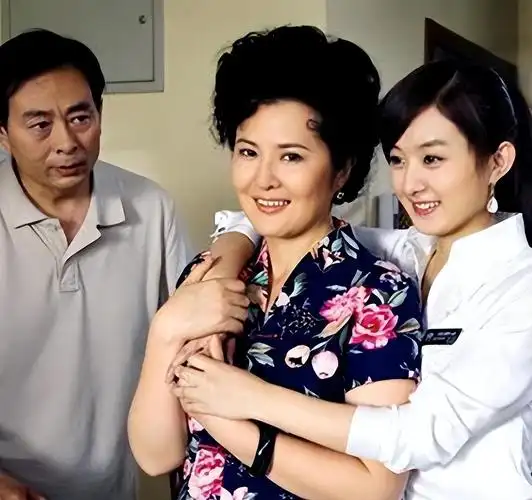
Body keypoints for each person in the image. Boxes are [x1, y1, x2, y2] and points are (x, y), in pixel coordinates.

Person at [180, 59, 532, 500]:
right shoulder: (409, 248)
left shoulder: (519, 288)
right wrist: (224, 269)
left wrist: (248, 399)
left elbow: (420, 435)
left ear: (498, 161)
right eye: (398, 160)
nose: (411, 184)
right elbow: (272, 217)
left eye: (433, 159)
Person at [129, 25, 423, 500]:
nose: (263, 179)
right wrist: (165, 330)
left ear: (342, 169)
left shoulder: (378, 293)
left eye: (291, 157)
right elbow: (156, 455)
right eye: (248, 152)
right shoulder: (210, 274)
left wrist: (227, 416)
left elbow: (376, 487)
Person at [0, 29, 248, 500]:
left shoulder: (150, 209)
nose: (67, 142)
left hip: (112, 487)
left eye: (81, 117)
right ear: (3, 135)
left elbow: (188, 352)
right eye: (40, 125)